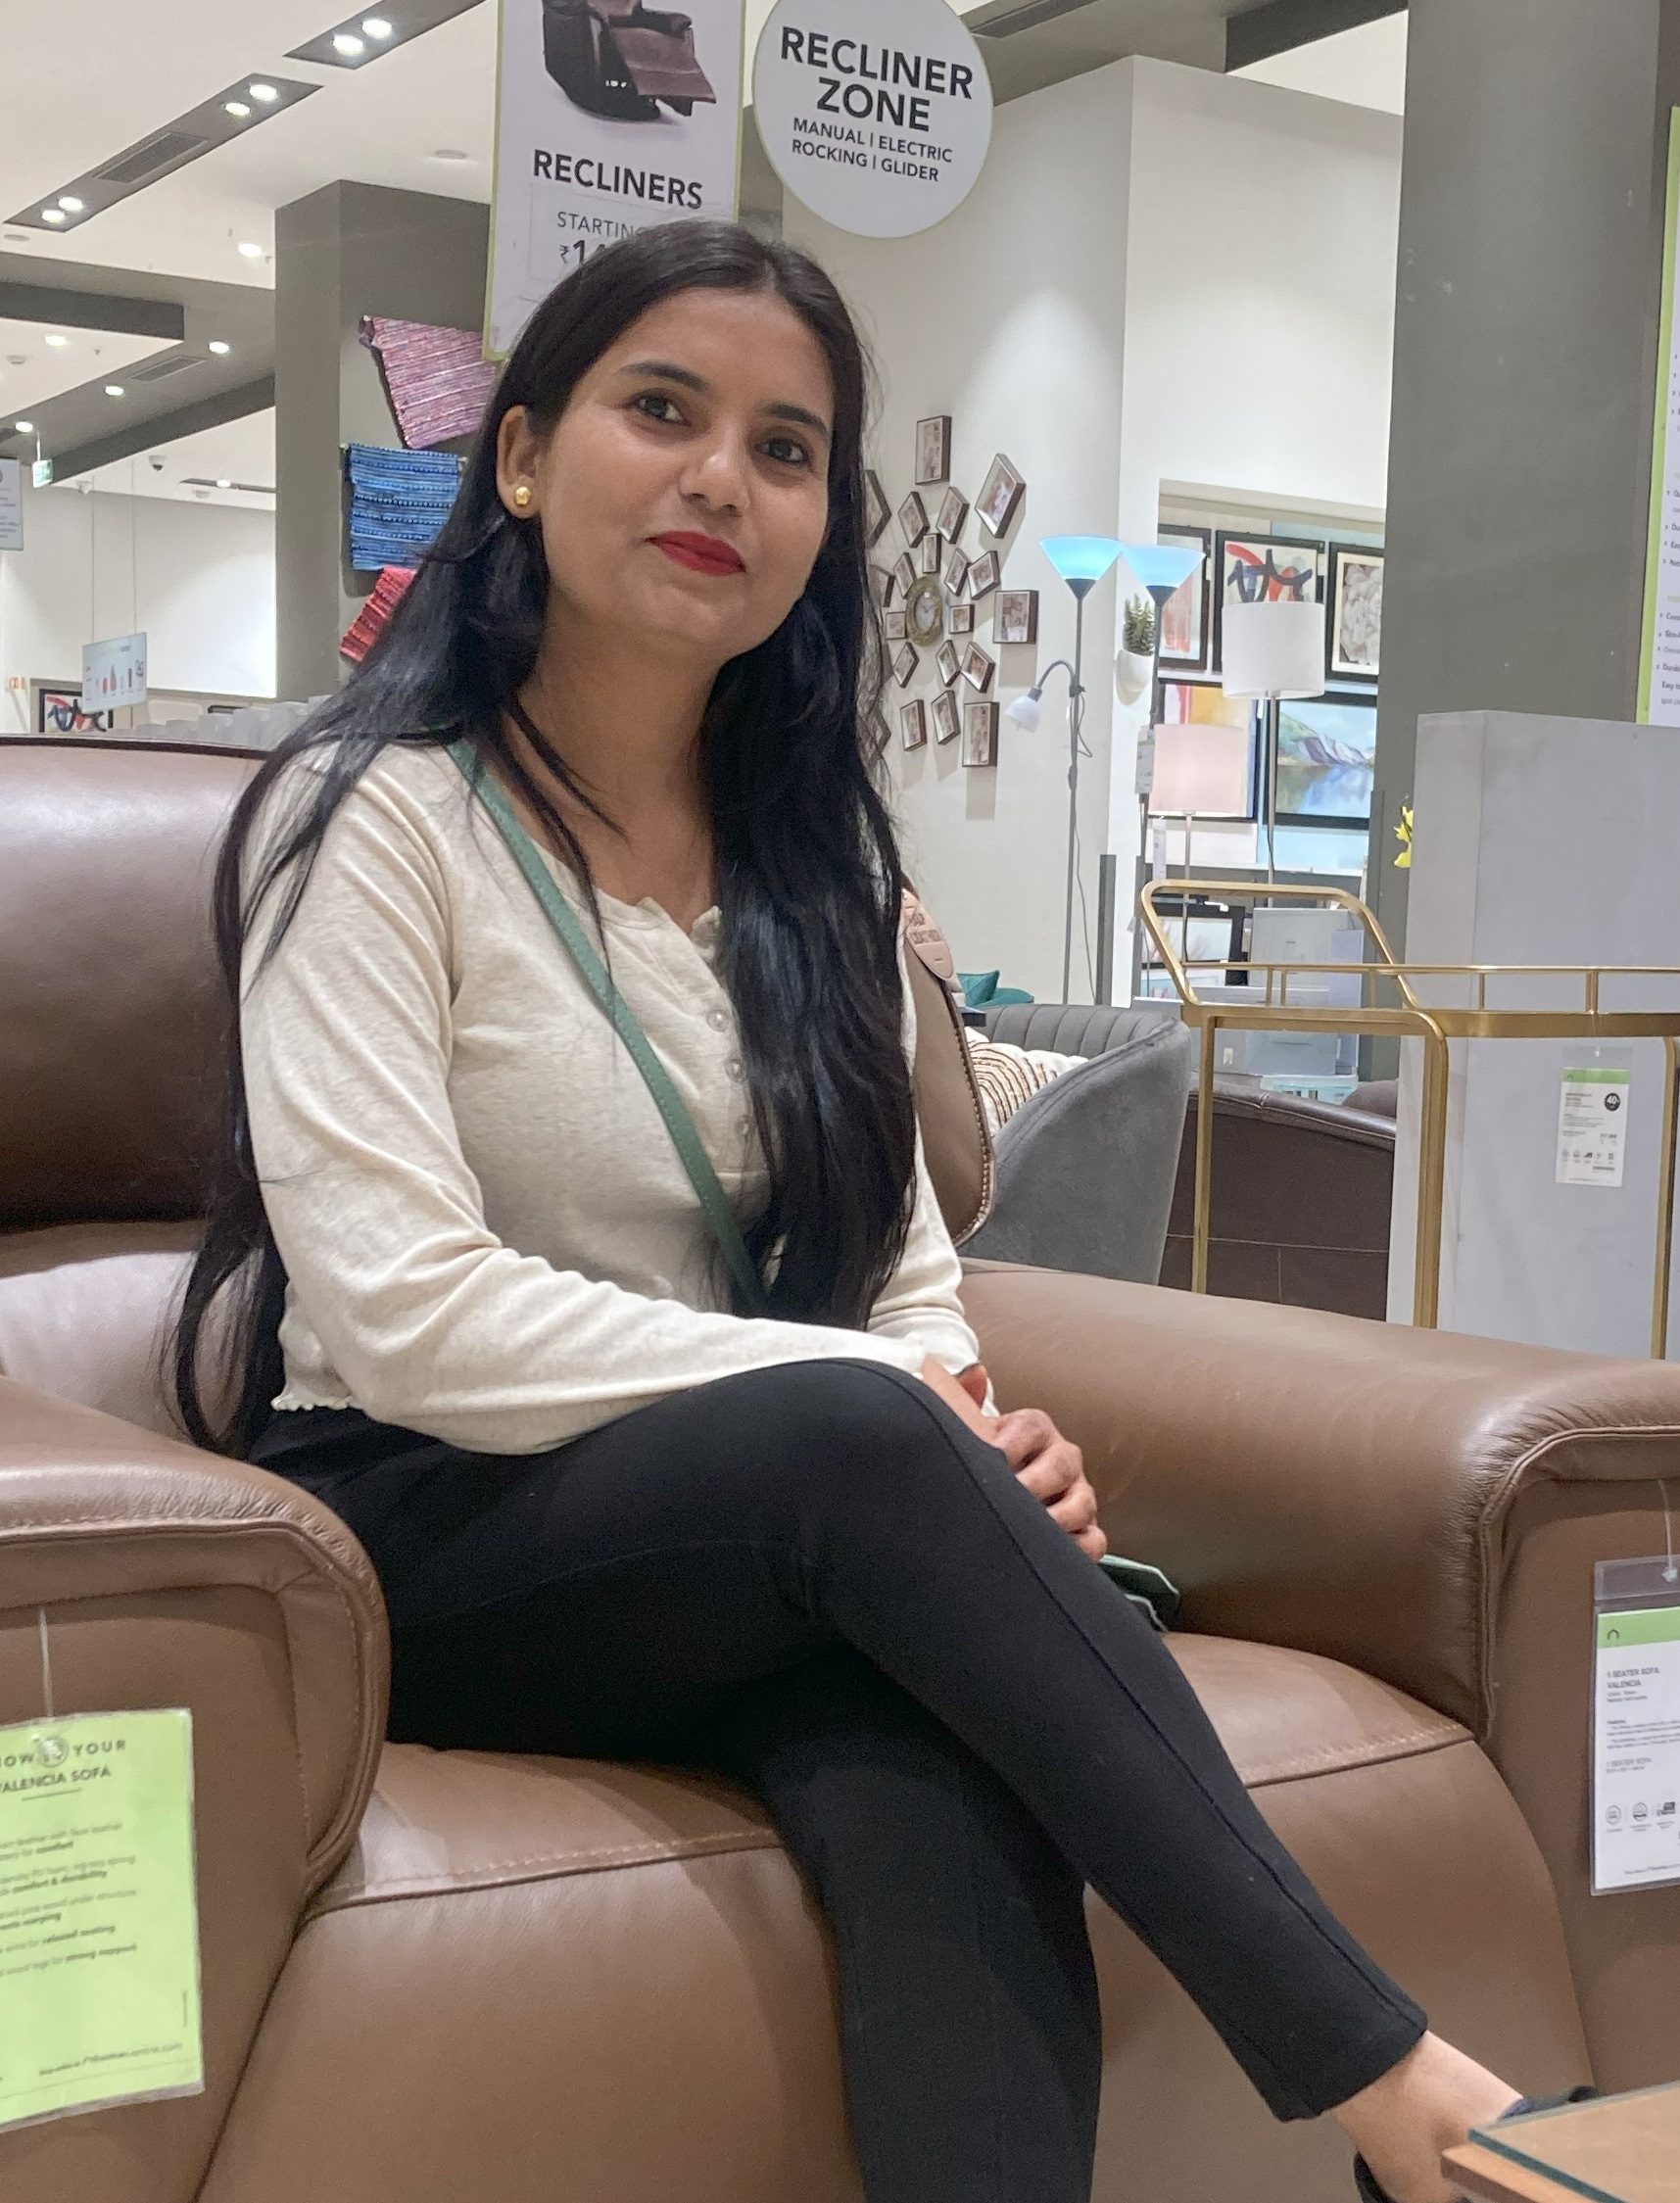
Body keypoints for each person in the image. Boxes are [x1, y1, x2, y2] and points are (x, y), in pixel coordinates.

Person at [173, 219, 1532, 2203]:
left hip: (757, 1532)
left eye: (787, 446)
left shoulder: (814, 858)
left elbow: (898, 1254)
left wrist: (955, 1411)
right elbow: (403, 1312)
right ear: (525, 456)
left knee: (934, 1755)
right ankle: (1404, 2098)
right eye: (663, 410)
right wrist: (891, 1417)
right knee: (854, 1442)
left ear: (823, 521)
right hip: (429, 1517)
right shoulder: (371, 816)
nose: (724, 477)